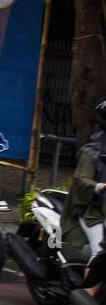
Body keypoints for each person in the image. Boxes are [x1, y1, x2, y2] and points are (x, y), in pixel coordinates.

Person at [58, 98, 106, 263]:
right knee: (100, 253)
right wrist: (99, 186)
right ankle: (87, 289)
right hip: (92, 212)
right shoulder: (92, 152)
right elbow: (81, 180)